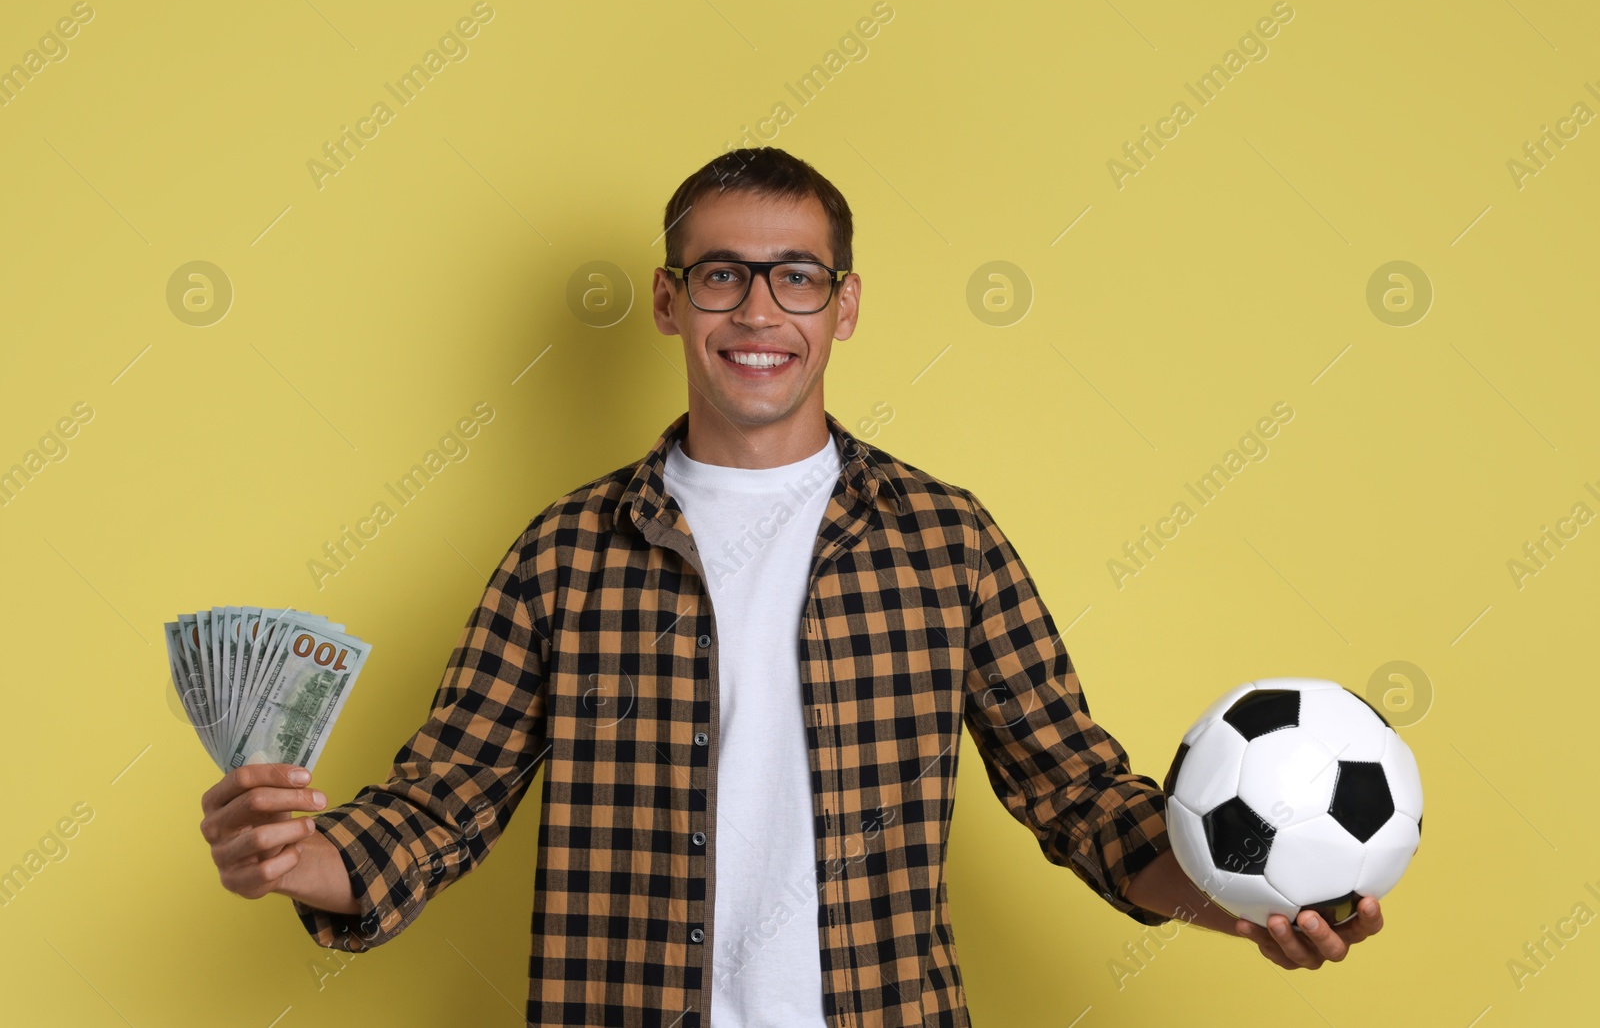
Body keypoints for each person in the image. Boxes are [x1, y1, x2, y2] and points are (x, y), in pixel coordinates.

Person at [198, 147, 1384, 1026]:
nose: (758, 309)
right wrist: (303, 858)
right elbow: (441, 802)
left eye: (797, 277)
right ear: (670, 300)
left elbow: (1075, 789)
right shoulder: (565, 550)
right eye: (722, 275)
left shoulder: (944, 539)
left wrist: (1234, 891)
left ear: (845, 305)